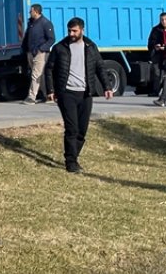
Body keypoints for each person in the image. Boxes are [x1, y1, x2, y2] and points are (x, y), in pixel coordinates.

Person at [45, 17, 115, 173]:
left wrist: (107, 87)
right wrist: (50, 90)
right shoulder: (60, 48)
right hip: (66, 93)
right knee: (72, 128)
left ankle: (73, 155)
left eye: (75, 31)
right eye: (69, 30)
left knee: (82, 131)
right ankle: (71, 162)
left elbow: (100, 67)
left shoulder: (90, 47)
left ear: (82, 30)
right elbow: (49, 69)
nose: (71, 34)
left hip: (85, 93)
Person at [21, 3, 54, 104]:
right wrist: (25, 49)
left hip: (40, 53)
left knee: (36, 74)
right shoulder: (31, 23)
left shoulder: (45, 23)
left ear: (36, 11)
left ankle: (31, 97)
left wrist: (41, 49)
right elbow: (27, 37)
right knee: (40, 75)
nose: (29, 13)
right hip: (30, 53)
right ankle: (46, 95)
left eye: (31, 11)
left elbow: (51, 39)